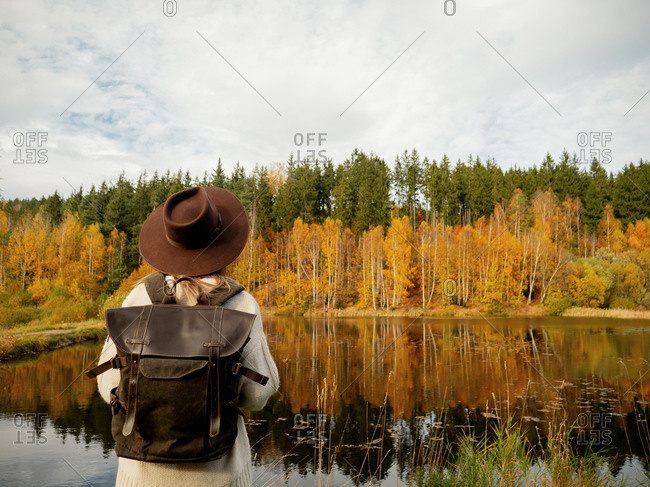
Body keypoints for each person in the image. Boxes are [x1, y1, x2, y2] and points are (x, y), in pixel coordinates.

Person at [96, 186, 279, 487]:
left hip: (140, 476)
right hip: (220, 474)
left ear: (168, 243)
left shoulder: (138, 297)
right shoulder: (240, 303)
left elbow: (108, 387)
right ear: (222, 243)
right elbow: (258, 396)